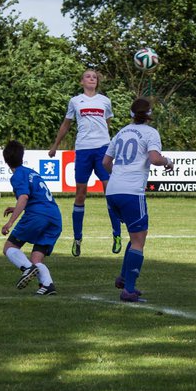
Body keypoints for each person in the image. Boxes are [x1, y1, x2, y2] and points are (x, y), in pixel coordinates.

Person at [103, 98, 174, 302]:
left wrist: (117, 175)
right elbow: (155, 158)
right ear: (150, 114)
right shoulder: (151, 133)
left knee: (134, 236)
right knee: (139, 240)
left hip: (113, 190)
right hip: (132, 191)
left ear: (131, 114)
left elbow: (106, 162)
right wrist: (168, 162)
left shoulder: (121, 132)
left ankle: (124, 277)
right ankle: (129, 290)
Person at [48, 69, 123, 257]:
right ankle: (77, 238)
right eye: (88, 76)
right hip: (83, 150)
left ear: (97, 82)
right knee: (80, 195)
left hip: (102, 150)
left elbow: (107, 123)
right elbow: (66, 124)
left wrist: (109, 146)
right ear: (82, 81)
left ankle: (117, 234)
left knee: (110, 191)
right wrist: (55, 145)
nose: (92, 79)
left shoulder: (105, 101)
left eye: (95, 77)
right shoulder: (75, 101)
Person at [1, 140, 62, 296]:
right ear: (22, 157)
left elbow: (24, 197)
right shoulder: (31, 172)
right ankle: (47, 285)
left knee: (10, 247)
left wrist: (10, 221)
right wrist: (16, 209)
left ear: (5, 160)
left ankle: (27, 269)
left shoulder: (17, 176)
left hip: (38, 215)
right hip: (54, 217)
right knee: (37, 257)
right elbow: (36, 197)